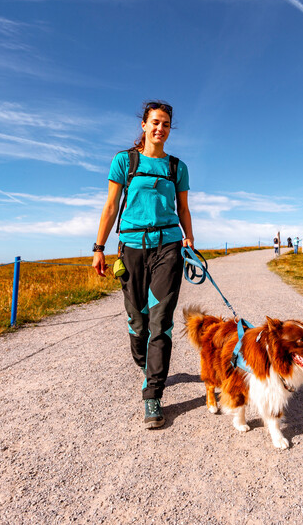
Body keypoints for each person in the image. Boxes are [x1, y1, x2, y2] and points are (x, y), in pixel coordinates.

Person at [92, 100, 194, 429]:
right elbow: (110, 207)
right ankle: (143, 358)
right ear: (144, 125)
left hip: (168, 246)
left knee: (160, 321)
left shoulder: (177, 167)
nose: (160, 128)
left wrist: (189, 239)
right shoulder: (125, 161)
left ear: (169, 128)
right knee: (138, 321)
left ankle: (153, 394)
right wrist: (99, 248)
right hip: (132, 246)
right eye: (155, 122)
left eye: (165, 123)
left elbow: (183, 208)